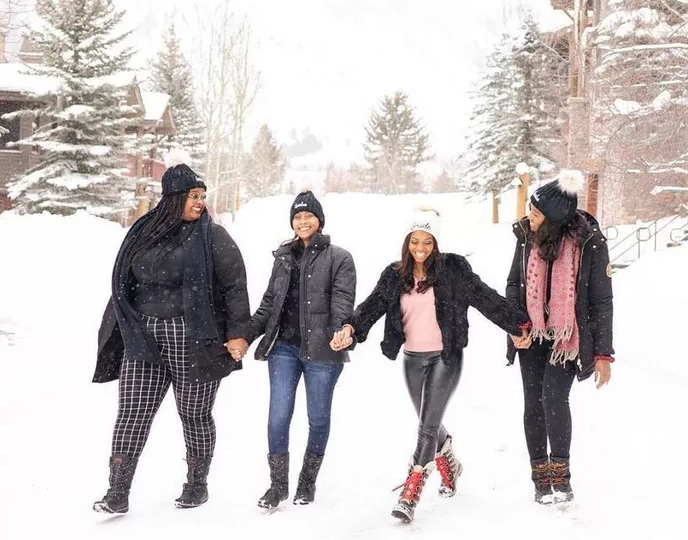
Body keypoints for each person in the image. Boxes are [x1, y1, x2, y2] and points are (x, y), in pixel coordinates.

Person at [331, 208, 527, 523]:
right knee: (429, 422)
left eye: (427, 242)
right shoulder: (395, 275)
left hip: (445, 357)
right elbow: (371, 306)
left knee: (426, 427)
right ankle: (449, 458)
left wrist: (518, 325)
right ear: (407, 242)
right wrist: (351, 328)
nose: (420, 248)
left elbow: (484, 298)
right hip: (412, 359)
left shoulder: (454, 269)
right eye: (414, 241)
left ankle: (412, 489)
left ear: (436, 243)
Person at [91, 163, 251, 514]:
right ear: (174, 198)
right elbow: (123, 278)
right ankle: (117, 491)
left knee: (194, 412)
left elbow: (235, 287)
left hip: (194, 336)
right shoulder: (144, 230)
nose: (200, 202)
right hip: (144, 334)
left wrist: (238, 334)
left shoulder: (213, 236)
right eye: (194, 196)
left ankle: (197, 485)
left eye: (202, 196)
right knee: (132, 411)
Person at [240, 190, 356, 510]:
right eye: (297, 217)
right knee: (278, 416)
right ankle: (277, 485)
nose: (303, 221)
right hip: (284, 349)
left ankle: (307, 481)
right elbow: (268, 305)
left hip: (323, 351)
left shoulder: (339, 257)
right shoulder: (283, 257)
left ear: (319, 220)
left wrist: (340, 329)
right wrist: (246, 335)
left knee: (317, 418)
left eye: (308, 216)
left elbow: (342, 302)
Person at [505, 169, 614, 505]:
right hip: (532, 333)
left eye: (536, 213)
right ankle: (540, 475)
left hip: (569, 337)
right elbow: (513, 284)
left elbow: (601, 300)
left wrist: (603, 354)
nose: (529, 217)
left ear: (552, 218)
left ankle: (560, 474)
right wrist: (515, 327)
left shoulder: (589, 243)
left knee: (553, 398)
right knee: (533, 403)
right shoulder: (527, 237)